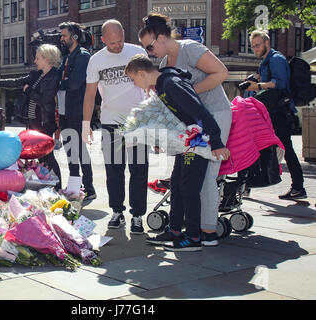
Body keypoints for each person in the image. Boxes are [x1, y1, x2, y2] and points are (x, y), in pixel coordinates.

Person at [138, 13, 232, 247]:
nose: (150, 53)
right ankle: (179, 230)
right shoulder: (163, 64)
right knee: (182, 176)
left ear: (161, 38)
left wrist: (188, 94)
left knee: (208, 175)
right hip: (191, 126)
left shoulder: (189, 48)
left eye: (150, 46)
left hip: (215, 114)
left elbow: (221, 73)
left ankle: (207, 232)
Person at [82, 19, 149, 234]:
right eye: (112, 43)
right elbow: (90, 94)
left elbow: (150, 85)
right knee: (114, 170)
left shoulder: (137, 52)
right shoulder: (96, 60)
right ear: (103, 40)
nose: (117, 46)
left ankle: (137, 215)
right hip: (111, 122)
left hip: (137, 121)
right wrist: (86, 124)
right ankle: (117, 212)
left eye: (120, 41)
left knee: (139, 169)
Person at [0, 44, 62, 190]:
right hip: (33, 122)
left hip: (44, 122)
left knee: (47, 156)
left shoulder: (54, 76)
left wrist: (29, 91)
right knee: (40, 157)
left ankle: (57, 186)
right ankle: (47, 185)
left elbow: (44, 100)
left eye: (38, 58)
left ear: (47, 59)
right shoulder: (37, 75)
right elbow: (15, 82)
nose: (35, 61)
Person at [245, 30, 306, 200]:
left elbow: (279, 83)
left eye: (258, 45)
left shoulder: (276, 59)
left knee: (284, 148)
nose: (255, 48)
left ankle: (298, 187)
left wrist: (257, 86)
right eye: (253, 46)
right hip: (271, 113)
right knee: (264, 146)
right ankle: (297, 187)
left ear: (267, 43)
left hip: (279, 113)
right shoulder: (265, 62)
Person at [58, 22, 96, 201]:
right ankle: (75, 186)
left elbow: (74, 83)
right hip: (65, 111)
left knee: (80, 150)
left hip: (77, 111)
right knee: (70, 150)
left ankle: (89, 188)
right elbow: (62, 78)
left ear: (74, 37)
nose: (62, 39)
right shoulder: (66, 57)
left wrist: (60, 82)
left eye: (64, 36)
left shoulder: (83, 56)